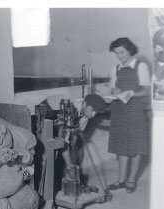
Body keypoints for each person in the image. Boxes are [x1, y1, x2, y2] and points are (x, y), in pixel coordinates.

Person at [106, 37, 151, 193]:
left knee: (136, 146)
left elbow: (146, 91)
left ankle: (131, 180)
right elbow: (112, 89)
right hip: (119, 110)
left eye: (122, 52)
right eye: (117, 53)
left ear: (130, 50)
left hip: (135, 110)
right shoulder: (115, 69)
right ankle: (121, 179)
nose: (120, 56)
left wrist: (132, 94)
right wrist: (115, 91)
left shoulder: (141, 66)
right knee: (121, 147)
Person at [56, 94, 108, 168]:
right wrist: (69, 165)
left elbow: (74, 140)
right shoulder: (70, 111)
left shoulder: (85, 114)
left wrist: (73, 165)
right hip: (49, 115)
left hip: (63, 124)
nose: (93, 115)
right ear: (85, 104)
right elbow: (63, 143)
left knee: (78, 145)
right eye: (92, 110)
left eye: (95, 113)